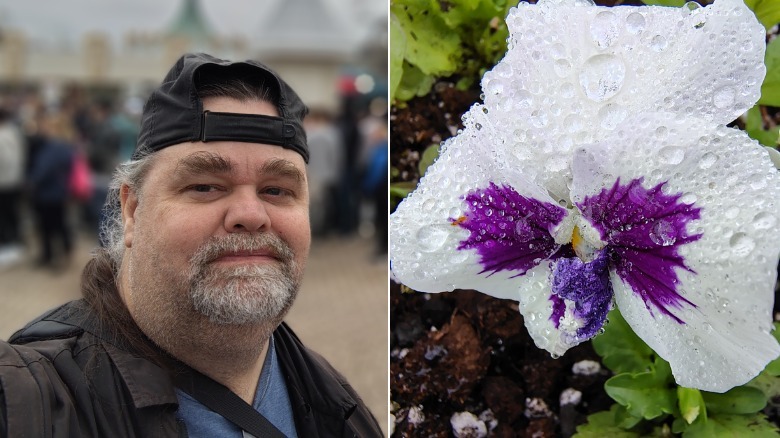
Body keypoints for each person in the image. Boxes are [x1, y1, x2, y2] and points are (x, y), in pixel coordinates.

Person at [0, 53, 382, 437]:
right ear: (132, 209)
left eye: (277, 190)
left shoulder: (338, 403)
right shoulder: (32, 402)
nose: (251, 214)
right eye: (204, 186)